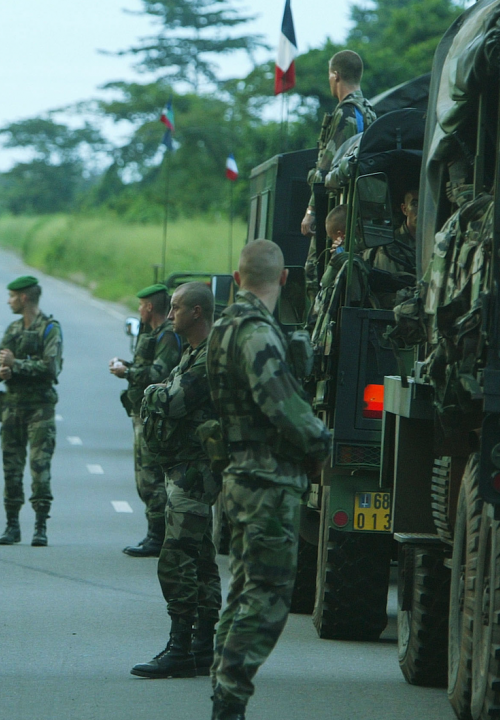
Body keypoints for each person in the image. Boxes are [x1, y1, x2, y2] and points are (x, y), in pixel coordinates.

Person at [206, 240, 332, 720]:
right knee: (267, 599)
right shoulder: (257, 334)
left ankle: (223, 692)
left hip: (240, 478)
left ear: (237, 278)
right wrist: (321, 444)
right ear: (283, 279)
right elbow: (283, 406)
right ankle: (230, 698)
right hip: (267, 482)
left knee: (243, 591)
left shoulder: (223, 326)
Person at [131, 283, 221, 680]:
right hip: (186, 467)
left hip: (196, 471)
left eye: (177, 308)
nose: (170, 316)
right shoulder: (192, 352)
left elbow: (172, 401)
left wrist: (152, 390)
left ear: (197, 313)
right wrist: (162, 390)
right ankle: (202, 646)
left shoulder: (208, 359)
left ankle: (182, 645)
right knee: (200, 556)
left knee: (177, 557)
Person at [0, 275, 62, 547]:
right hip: (11, 409)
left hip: (39, 409)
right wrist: (1, 371)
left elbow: (51, 368)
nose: (8, 301)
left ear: (24, 297)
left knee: (39, 468)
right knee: (11, 468)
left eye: (11, 296)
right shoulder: (13, 329)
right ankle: (12, 525)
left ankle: (40, 525)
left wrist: (16, 364)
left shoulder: (50, 329)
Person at [109, 283, 183, 557]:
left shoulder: (166, 336)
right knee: (144, 477)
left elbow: (159, 372)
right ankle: (154, 533)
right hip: (143, 414)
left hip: (154, 417)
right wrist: (127, 367)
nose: (139, 310)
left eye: (141, 305)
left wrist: (127, 373)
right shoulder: (154, 334)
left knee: (150, 478)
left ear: (150, 307)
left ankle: (158, 536)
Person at [300, 50, 378, 297]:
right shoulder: (369, 111)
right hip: (357, 212)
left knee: (315, 273)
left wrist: (311, 212)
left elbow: (325, 171)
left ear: (335, 75)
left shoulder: (346, 114)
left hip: (339, 212)